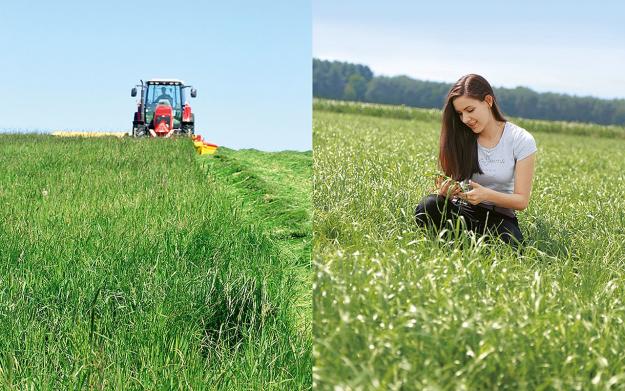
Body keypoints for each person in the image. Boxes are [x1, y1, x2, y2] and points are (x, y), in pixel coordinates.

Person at [414, 74, 537, 246]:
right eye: (460, 114)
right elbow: (449, 181)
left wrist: (486, 195)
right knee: (428, 206)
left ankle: (463, 242)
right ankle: (460, 243)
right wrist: (445, 192)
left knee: (511, 244)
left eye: (470, 110)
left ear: (488, 101)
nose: (465, 119)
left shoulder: (521, 139)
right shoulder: (461, 136)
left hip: (499, 217)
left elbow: (521, 201)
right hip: (462, 210)